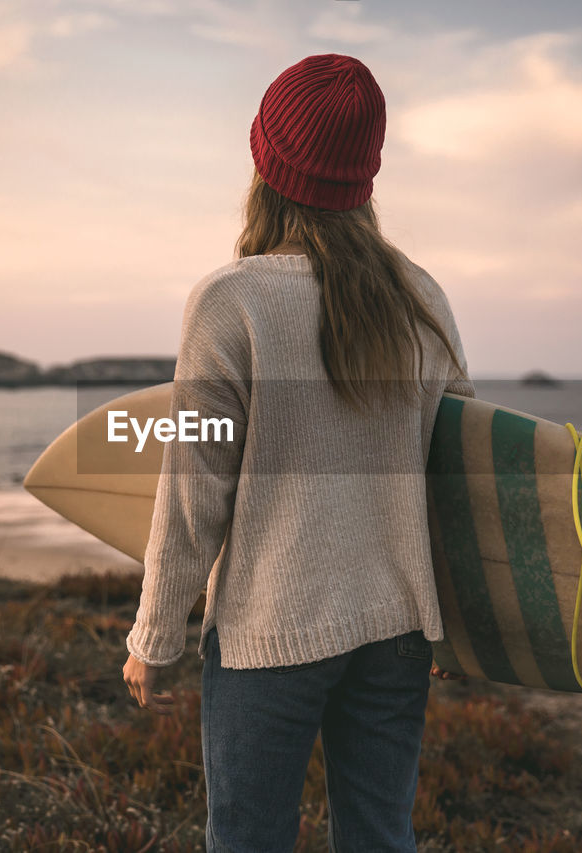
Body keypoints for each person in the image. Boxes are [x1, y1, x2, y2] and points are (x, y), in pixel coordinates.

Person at [122, 53, 475, 852]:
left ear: (265, 162)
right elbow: (455, 477)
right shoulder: (423, 299)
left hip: (268, 629)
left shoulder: (233, 301)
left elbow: (191, 488)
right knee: (383, 837)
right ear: (366, 175)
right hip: (396, 630)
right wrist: (452, 619)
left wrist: (154, 634)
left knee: (248, 840)